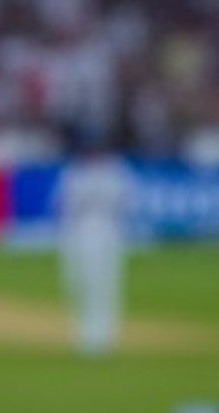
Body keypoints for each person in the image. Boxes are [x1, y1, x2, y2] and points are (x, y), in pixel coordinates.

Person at [57, 134, 136, 357]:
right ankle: (88, 336)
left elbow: (125, 203)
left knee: (107, 285)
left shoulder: (116, 172)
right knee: (84, 284)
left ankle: (105, 337)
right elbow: (67, 206)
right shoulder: (76, 173)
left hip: (107, 228)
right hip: (83, 230)